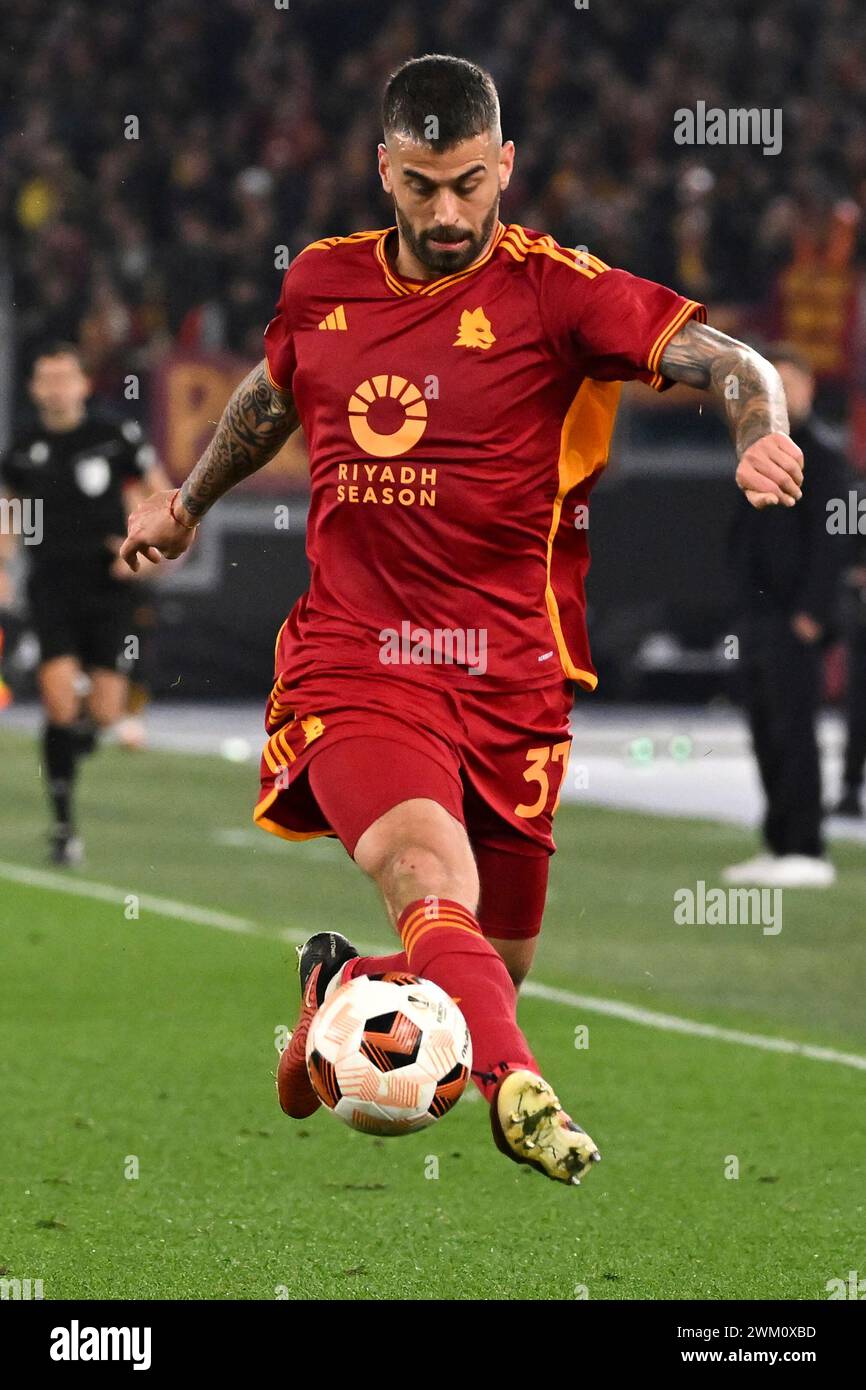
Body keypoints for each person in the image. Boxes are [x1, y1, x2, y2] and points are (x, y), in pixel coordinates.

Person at [122, 55, 803, 1184]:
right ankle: (521, 1089)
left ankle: (340, 990)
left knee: (483, 965)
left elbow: (728, 361)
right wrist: (189, 502)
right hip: (356, 659)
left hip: (511, 678)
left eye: (471, 184)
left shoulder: (558, 291)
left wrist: (754, 430)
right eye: (424, 185)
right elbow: (272, 391)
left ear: (507, 169)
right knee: (427, 878)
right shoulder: (322, 285)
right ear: (384, 168)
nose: (448, 212)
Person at [0, 343, 170, 864]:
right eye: (46, 379)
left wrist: (147, 547)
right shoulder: (23, 449)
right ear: (34, 388)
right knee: (56, 702)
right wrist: (3, 566)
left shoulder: (114, 436)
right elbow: (9, 514)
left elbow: (158, 492)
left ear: (82, 384)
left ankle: (70, 750)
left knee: (103, 711)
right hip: (50, 585)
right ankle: (63, 824)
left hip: (108, 586)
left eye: (64, 377)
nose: (55, 388)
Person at [723, 345, 848, 887]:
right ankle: (779, 842)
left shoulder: (824, 455)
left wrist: (813, 613)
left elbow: (834, 539)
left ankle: (805, 846)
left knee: (796, 729)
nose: (783, 394)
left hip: (794, 617)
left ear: (809, 390)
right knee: (766, 729)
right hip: (758, 615)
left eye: (790, 383)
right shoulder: (753, 448)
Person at [831, 476, 866, 818]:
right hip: (862, 624)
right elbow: (839, 559)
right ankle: (851, 788)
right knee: (858, 712)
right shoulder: (857, 499)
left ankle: (850, 789)